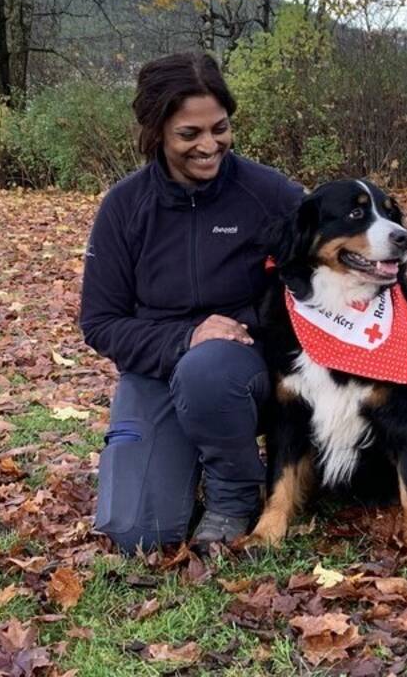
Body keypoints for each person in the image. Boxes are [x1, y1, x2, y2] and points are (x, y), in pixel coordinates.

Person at [80, 51, 303, 555]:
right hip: (155, 370)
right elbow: (100, 322)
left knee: (207, 370)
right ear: (156, 132)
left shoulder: (270, 194)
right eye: (189, 135)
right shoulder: (124, 207)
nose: (209, 145)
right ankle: (192, 456)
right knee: (136, 533)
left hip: (246, 374)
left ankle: (233, 495)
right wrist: (185, 336)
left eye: (219, 128)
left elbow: (325, 268)